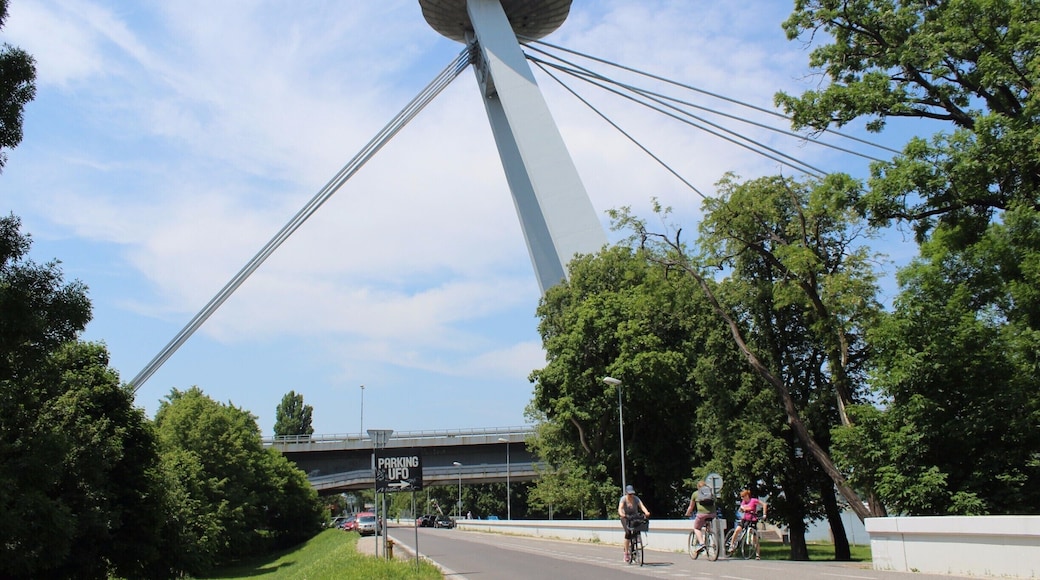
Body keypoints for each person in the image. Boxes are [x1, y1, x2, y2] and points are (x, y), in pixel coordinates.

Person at [728, 489, 767, 559]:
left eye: (743, 496)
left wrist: (764, 514)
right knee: (737, 530)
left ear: (747, 495)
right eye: (741, 497)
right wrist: (744, 509)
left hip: (752, 520)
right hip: (745, 519)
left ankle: (757, 555)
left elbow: (764, 504)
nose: (742, 498)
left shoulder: (753, 500)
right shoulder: (743, 502)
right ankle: (732, 544)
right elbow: (742, 508)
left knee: (755, 538)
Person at [617, 484, 651, 562]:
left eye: (632, 494)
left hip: (634, 516)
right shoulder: (623, 499)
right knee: (628, 533)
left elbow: (642, 506)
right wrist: (622, 514)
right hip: (625, 517)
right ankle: (626, 553)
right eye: (629, 494)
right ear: (626, 493)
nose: (631, 495)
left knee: (637, 529)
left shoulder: (636, 499)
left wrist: (646, 512)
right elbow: (620, 508)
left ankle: (635, 545)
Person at [684, 480, 716, 555]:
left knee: (697, 528)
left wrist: (687, 513)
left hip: (702, 514)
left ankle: (702, 544)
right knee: (708, 527)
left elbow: (691, 507)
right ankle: (713, 541)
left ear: (698, 487)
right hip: (713, 514)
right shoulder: (711, 493)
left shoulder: (695, 493)